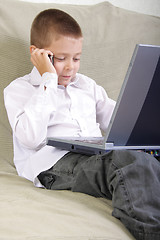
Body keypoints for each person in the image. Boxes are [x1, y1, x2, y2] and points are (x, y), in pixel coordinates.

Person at [4, 9, 160, 240]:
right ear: (38, 54)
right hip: (54, 163)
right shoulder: (20, 90)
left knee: (145, 156)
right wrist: (48, 79)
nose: (70, 67)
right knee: (128, 162)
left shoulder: (86, 85)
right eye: (60, 58)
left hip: (95, 154)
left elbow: (117, 120)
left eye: (76, 58)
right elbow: (31, 138)